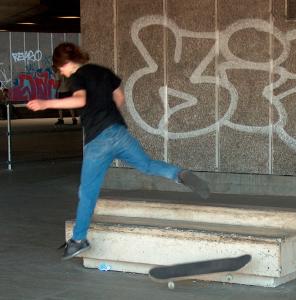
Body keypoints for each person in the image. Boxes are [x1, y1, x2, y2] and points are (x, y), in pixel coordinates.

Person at [27, 42, 210, 260]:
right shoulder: (103, 72)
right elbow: (120, 98)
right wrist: (106, 112)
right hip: (119, 132)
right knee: (147, 165)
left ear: (65, 63)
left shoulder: (78, 76)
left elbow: (80, 99)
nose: (62, 73)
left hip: (98, 140)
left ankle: (78, 240)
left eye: (60, 69)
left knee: (87, 192)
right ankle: (179, 174)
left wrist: (45, 104)